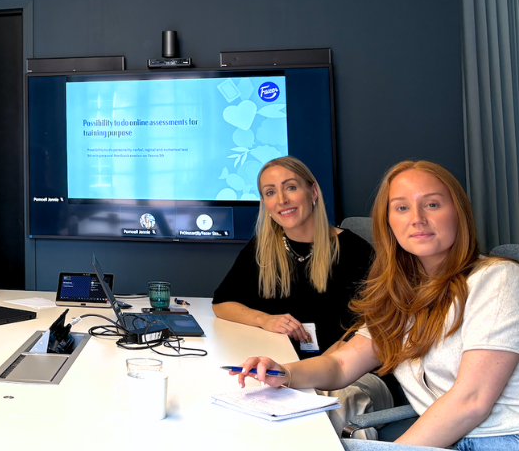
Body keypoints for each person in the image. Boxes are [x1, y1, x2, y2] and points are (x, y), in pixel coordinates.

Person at [234, 160, 519, 450]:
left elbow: (472, 401)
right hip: (446, 440)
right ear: (389, 222)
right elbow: (340, 364)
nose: (417, 219)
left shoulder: (496, 278)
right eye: (402, 208)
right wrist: (283, 372)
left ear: (458, 212)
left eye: (432, 205)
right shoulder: (401, 293)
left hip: (499, 439)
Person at [213, 156, 375, 357]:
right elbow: (222, 303)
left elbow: (371, 327)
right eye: (270, 192)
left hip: (340, 371)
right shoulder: (261, 248)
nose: (282, 200)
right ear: (265, 203)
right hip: (279, 365)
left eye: (290, 187)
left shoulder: (355, 251)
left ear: (313, 192)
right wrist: (264, 320)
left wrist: (318, 370)